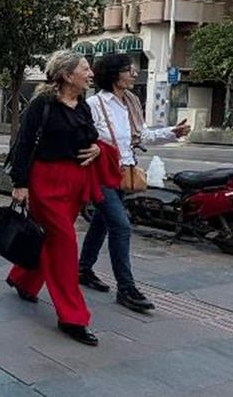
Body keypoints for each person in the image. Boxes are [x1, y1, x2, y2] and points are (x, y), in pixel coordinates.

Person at [6, 50, 114, 346]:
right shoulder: (42, 103)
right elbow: (23, 143)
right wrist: (20, 184)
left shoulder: (83, 105)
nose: (91, 74)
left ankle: (23, 279)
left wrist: (97, 148)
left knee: (51, 241)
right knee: (65, 245)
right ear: (67, 75)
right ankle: (72, 316)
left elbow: (90, 137)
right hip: (46, 182)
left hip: (75, 184)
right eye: (85, 69)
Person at [79, 53, 191, 311]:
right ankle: (126, 288)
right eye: (128, 70)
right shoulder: (95, 104)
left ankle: (83, 269)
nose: (133, 74)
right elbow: (83, 136)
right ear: (113, 74)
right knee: (121, 226)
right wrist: (95, 146)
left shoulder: (129, 102)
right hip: (101, 174)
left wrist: (172, 132)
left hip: (122, 173)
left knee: (101, 222)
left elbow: (141, 136)